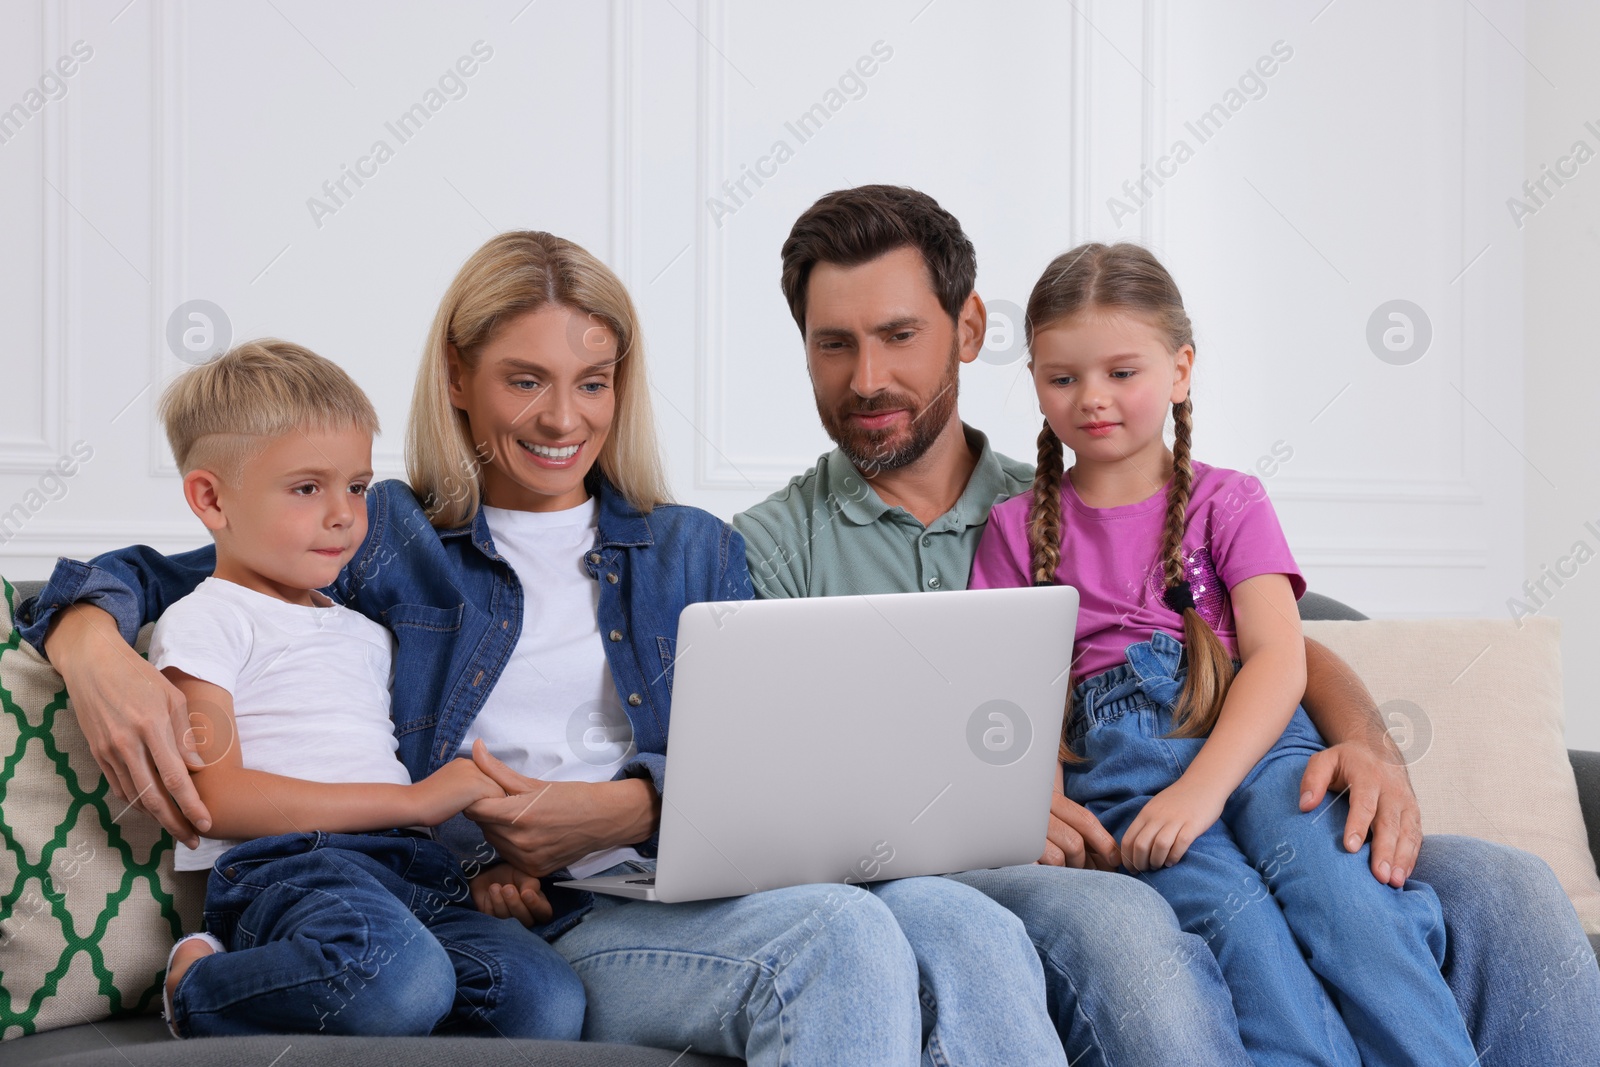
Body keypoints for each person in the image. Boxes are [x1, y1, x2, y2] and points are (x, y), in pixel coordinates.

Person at [20, 231, 1064, 1066]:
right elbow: (161, 571)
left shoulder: (693, 547)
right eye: (525, 380)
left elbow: (766, 765)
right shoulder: (384, 533)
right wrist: (88, 642)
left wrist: (641, 802)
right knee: (838, 937)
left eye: (593, 381)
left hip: (669, 887)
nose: (563, 417)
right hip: (522, 914)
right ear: (460, 378)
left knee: (964, 923)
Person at [733, 184, 1600, 1066]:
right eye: (832, 344)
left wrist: (1371, 741)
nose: (867, 376)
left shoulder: (1066, 482)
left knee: (1508, 885)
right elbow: (774, 766)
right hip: (1048, 831)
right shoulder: (772, 548)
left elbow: (1276, 644)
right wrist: (991, 802)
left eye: (898, 335)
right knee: (1165, 939)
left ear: (967, 329)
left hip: (1241, 763)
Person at [969, 241, 1478, 1064]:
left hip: (1255, 736)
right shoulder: (1011, 530)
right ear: (1034, 379)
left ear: (1180, 369)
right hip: (1120, 769)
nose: (1092, 398)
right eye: (1063, 378)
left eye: (1121, 373)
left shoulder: (1229, 500)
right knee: (1239, 934)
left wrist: (1204, 788)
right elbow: (1009, 695)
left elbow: (1279, 656)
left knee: (1350, 904)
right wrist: (1039, 801)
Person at [147, 340, 584, 1039]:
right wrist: (414, 799)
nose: (345, 514)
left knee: (545, 1003)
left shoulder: (368, 633)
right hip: (291, 871)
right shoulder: (207, 620)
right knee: (398, 978)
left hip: (410, 871)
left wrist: (477, 868)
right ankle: (198, 983)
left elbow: (365, 761)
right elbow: (216, 796)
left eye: (356, 485)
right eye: (306, 488)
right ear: (211, 498)